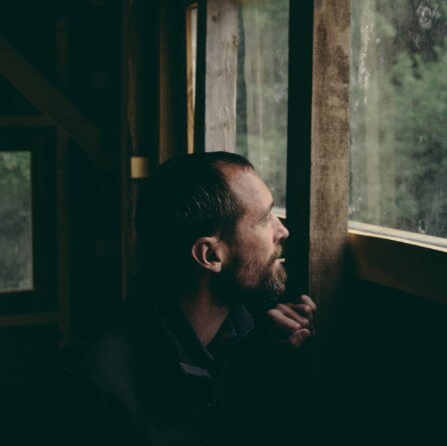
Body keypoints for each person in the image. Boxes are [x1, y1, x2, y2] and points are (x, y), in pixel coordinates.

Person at [21, 152, 316, 445]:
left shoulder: (246, 341)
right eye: (265, 219)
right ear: (210, 255)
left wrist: (275, 369)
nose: (282, 230)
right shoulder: (84, 389)